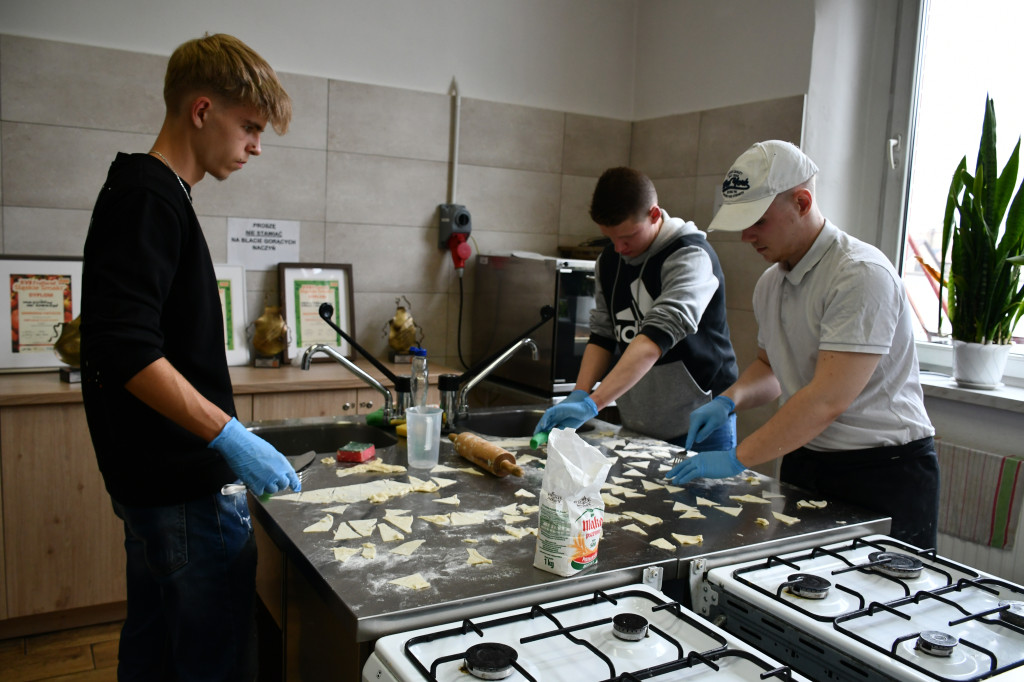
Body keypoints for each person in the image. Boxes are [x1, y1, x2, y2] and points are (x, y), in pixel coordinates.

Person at [80, 34, 299, 680]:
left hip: (157, 490)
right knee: (215, 664)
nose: (255, 146)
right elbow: (126, 349)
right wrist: (229, 435)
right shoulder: (149, 197)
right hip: (182, 493)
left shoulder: (153, 193)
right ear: (202, 111)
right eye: (249, 127)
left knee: (154, 656)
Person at [668, 140, 939, 549]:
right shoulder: (770, 284)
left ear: (801, 202)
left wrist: (737, 458)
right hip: (807, 456)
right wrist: (729, 400)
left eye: (758, 221)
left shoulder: (860, 275)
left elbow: (827, 400)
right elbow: (770, 367)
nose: (746, 236)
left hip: (882, 469)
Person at [534, 167, 739, 448]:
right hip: (640, 420)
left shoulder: (690, 256)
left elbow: (656, 337)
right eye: (611, 238)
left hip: (700, 421)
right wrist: (579, 394)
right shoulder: (609, 261)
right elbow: (603, 333)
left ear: (654, 214)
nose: (619, 248)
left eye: (628, 237)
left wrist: (593, 403)